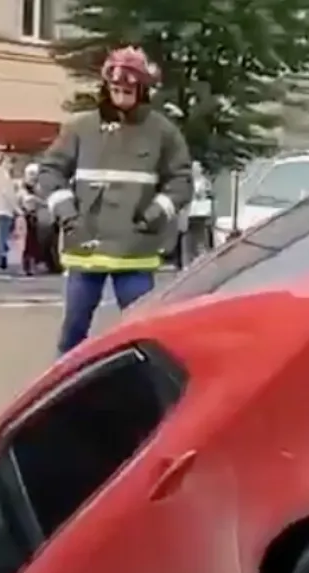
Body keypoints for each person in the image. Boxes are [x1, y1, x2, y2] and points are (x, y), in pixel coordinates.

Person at [35, 46, 192, 354]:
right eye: (115, 88)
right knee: (74, 330)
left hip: (135, 250)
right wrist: (67, 214)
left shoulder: (163, 132)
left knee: (143, 332)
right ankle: (62, 392)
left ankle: (146, 393)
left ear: (142, 90)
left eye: (128, 89)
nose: (121, 95)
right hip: (85, 247)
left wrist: (155, 214)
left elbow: (181, 181)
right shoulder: (81, 128)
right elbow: (50, 171)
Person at [0, 155, 19, 277]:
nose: (12, 166)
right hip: (3, 212)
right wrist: (17, 209)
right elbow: (8, 194)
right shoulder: (3, 175)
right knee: (0, 242)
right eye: (11, 163)